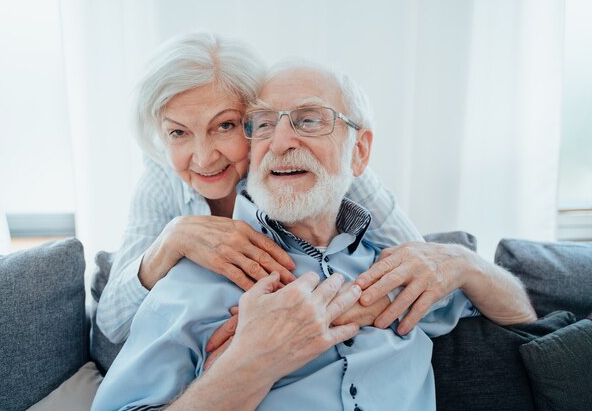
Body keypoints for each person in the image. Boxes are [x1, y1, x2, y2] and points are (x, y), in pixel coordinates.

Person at [91, 62, 536, 411]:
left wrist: (466, 263)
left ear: (359, 151)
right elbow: (112, 331)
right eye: (263, 123)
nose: (281, 140)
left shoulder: (403, 270)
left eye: (308, 120)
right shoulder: (194, 280)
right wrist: (253, 363)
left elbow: (523, 322)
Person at [96, 32, 430, 344]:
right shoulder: (162, 176)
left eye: (224, 126)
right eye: (178, 133)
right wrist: (173, 240)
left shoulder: (311, 164)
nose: (203, 157)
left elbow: (424, 265)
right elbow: (112, 323)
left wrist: (356, 308)